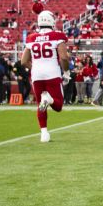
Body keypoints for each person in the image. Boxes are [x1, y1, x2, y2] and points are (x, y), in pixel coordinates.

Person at [21, 10, 70, 143]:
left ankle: (44, 133)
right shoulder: (57, 35)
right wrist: (66, 72)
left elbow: (24, 61)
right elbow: (64, 57)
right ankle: (49, 99)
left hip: (36, 75)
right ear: (51, 21)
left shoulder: (31, 37)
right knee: (58, 106)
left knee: (40, 104)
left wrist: (36, 68)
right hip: (52, 72)